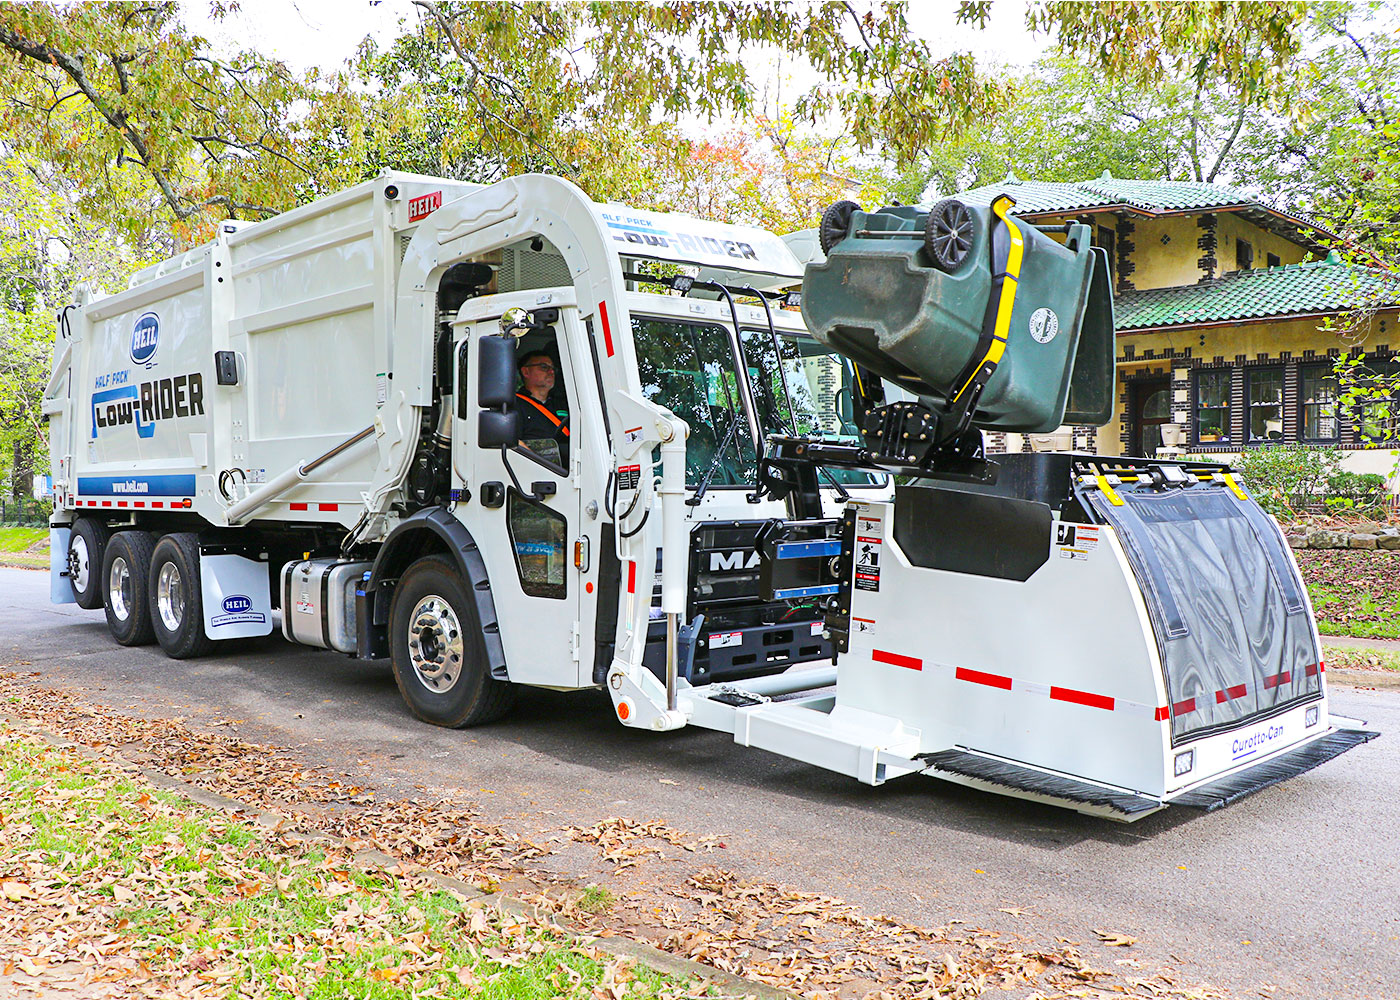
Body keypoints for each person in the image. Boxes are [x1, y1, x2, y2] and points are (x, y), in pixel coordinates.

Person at [515, 349, 569, 464]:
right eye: (544, 367)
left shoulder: (565, 403)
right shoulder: (514, 403)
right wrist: (541, 465)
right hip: (541, 471)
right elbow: (513, 441)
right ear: (526, 372)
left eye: (553, 368)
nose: (551, 372)